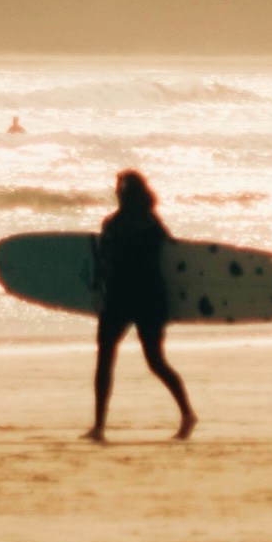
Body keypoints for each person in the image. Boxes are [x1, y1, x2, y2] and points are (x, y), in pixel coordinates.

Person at [90, 166, 196, 443]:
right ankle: (99, 425)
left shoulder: (132, 224)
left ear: (128, 193)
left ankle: (187, 414)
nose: (116, 192)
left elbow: (104, 262)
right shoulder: (142, 223)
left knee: (151, 360)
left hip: (139, 297)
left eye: (120, 187)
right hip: (132, 297)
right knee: (109, 359)